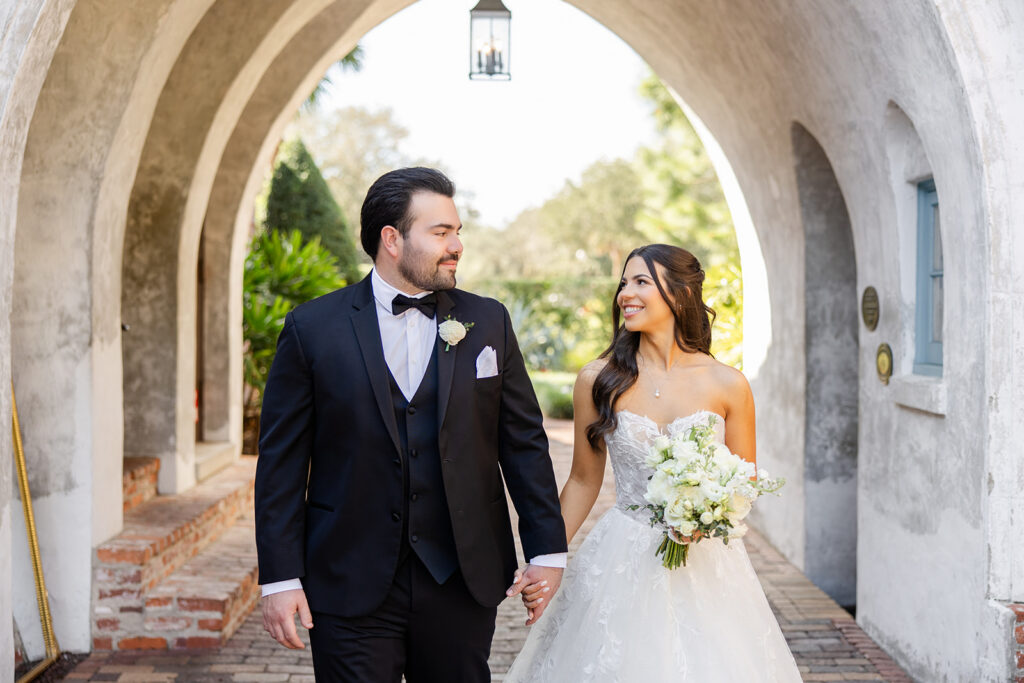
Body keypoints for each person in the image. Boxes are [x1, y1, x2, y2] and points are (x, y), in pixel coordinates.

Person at [254, 167, 568, 682]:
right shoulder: (312, 328)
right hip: (347, 576)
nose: (457, 246)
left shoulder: (488, 321)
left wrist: (547, 550)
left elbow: (524, 444)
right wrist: (280, 578)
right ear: (392, 239)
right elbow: (281, 466)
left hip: (461, 577)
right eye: (441, 232)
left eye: (457, 231)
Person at [505, 243, 802, 681]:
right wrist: (547, 558)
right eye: (624, 283)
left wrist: (705, 514)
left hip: (707, 563)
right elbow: (584, 481)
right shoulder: (598, 380)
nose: (625, 293)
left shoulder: (728, 384)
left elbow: (744, 481)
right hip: (623, 554)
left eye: (641, 281)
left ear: (681, 294)